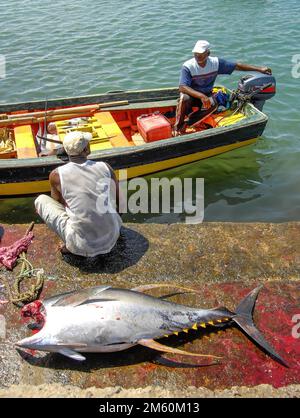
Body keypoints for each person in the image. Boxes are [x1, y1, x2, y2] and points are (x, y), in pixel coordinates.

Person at [34, 131, 122, 257]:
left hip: (82, 246)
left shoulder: (56, 175)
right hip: (113, 235)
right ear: (86, 149)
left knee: (41, 200)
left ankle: (71, 245)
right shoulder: (105, 167)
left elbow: (58, 204)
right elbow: (121, 203)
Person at [174, 40, 272, 135]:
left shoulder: (215, 63)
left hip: (207, 96)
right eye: (195, 53)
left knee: (214, 104)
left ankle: (187, 123)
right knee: (184, 98)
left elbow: (237, 66)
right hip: (192, 96)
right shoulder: (188, 66)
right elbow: (182, 87)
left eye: (200, 53)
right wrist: (201, 96)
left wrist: (259, 69)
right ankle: (177, 127)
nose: (197, 56)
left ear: (208, 53)